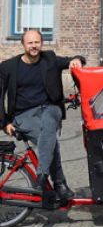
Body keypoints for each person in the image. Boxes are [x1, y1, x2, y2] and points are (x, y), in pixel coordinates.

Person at [0, 30, 85, 199]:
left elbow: (73, 60)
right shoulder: (8, 67)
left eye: (37, 42)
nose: (34, 46)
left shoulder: (50, 59)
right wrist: (4, 122)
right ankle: (59, 183)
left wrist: (77, 60)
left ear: (42, 43)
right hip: (24, 115)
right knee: (50, 142)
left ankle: (42, 175)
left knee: (48, 119)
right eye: (30, 43)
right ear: (23, 44)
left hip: (50, 108)